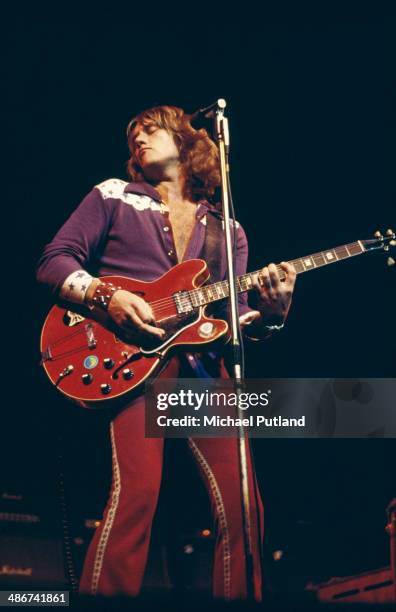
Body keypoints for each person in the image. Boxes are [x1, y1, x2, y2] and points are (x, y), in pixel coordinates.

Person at [36, 105, 296, 600]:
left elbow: (233, 319)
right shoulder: (113, 195)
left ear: (187, 140)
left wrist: (274, 313)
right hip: (131, 360)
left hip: (202, 370)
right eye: (133, 134)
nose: (139, 139)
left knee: (243, 506)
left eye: (151, 130)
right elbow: (54, 261)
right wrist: (108, 297)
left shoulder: (229, 228)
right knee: (138, 494)